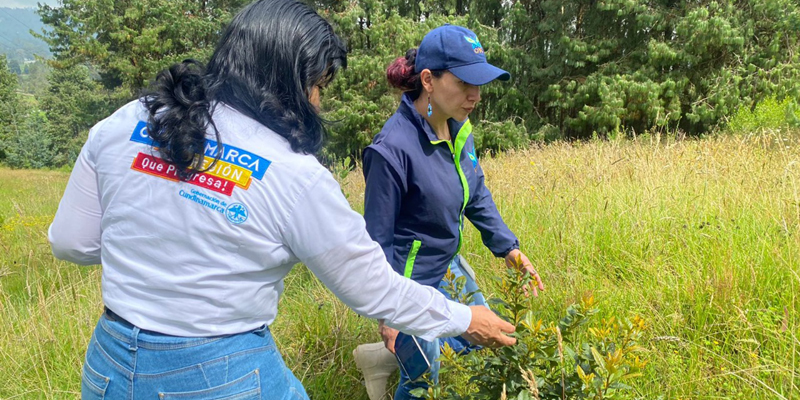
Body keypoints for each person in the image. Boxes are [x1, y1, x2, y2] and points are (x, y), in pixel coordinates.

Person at [47, 3, 519, 399]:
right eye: (317, 86)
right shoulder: (292, 173)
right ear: (288, 80)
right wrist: (462, 318)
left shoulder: (123, 122)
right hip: (222, 370)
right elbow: (369, 285)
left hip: (108, 362)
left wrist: (155, 249)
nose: (317, 102)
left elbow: (70, 242)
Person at [352, 24, 546, 400]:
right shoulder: (391, 151)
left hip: (447, 266)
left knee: (489, 339)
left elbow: (475, 194)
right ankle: (400, 357)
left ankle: (381, 360)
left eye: (480, 84)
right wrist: (389, 317)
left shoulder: (459, 127)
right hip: (407, 283)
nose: (475, 96)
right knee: (425, 381)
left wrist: (509, 248)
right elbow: (377, 241)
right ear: (428, 79)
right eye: (464, 84)